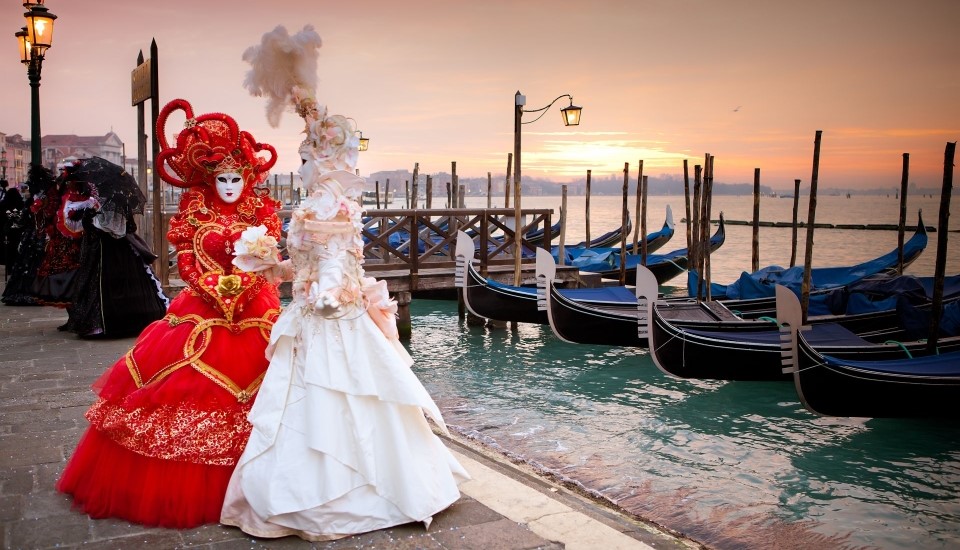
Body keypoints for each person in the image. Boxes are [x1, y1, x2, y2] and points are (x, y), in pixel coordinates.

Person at [220, 25, 468, 541]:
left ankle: (347, 495)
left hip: (331, 317)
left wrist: (329, 291)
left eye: (310, 158)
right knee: (334, 403)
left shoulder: (326, 203)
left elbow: (333, 261)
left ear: (325, 159)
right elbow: (313, 265)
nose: (305, 165)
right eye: (307, 157)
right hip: (319, 314)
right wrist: (275, 269)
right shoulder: (324, 204)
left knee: (336, 402)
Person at [56, 98, 283, 528]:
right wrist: (213, 289)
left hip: (255, 308)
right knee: (178, 381)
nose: (231, 185)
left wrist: (247, 285)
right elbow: (187, 262)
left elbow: (268, 261)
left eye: (237, 177)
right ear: (209, 178)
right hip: (203, 309)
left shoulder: (261, 213)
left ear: (248, 177)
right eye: (223, 177)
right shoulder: (195, 212)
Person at [57, 157, 168, 338]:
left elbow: (111, 228)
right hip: (106, 249)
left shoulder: (111, 201)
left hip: (105, 250)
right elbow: (122, 227)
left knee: (106, 285)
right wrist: (90, 214)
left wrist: (90, 218)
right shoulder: (105, 200)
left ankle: (107, 324)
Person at [1, 167, 52, 306]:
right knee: (33, 262)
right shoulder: (45, 199)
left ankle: (32, 291)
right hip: (37, 235)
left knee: (32, 262)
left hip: (37, 235)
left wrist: (15, 220)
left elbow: (24, 219)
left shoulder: (37, 201)